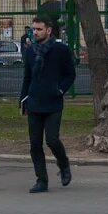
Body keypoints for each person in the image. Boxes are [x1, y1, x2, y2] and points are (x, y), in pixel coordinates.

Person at [19, 14, 76, 193]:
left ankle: (64, 165)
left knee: (52, 140)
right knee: (35, 144)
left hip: (53, 103)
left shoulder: (61, 50)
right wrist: (23, 100)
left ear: (49, 30)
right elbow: (27, 77)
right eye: (33, 29)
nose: (34, 32)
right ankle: (41, 180)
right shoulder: (30, 51)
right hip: (34, 102)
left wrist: (60, 90)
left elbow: (70, 74)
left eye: (39, 29)